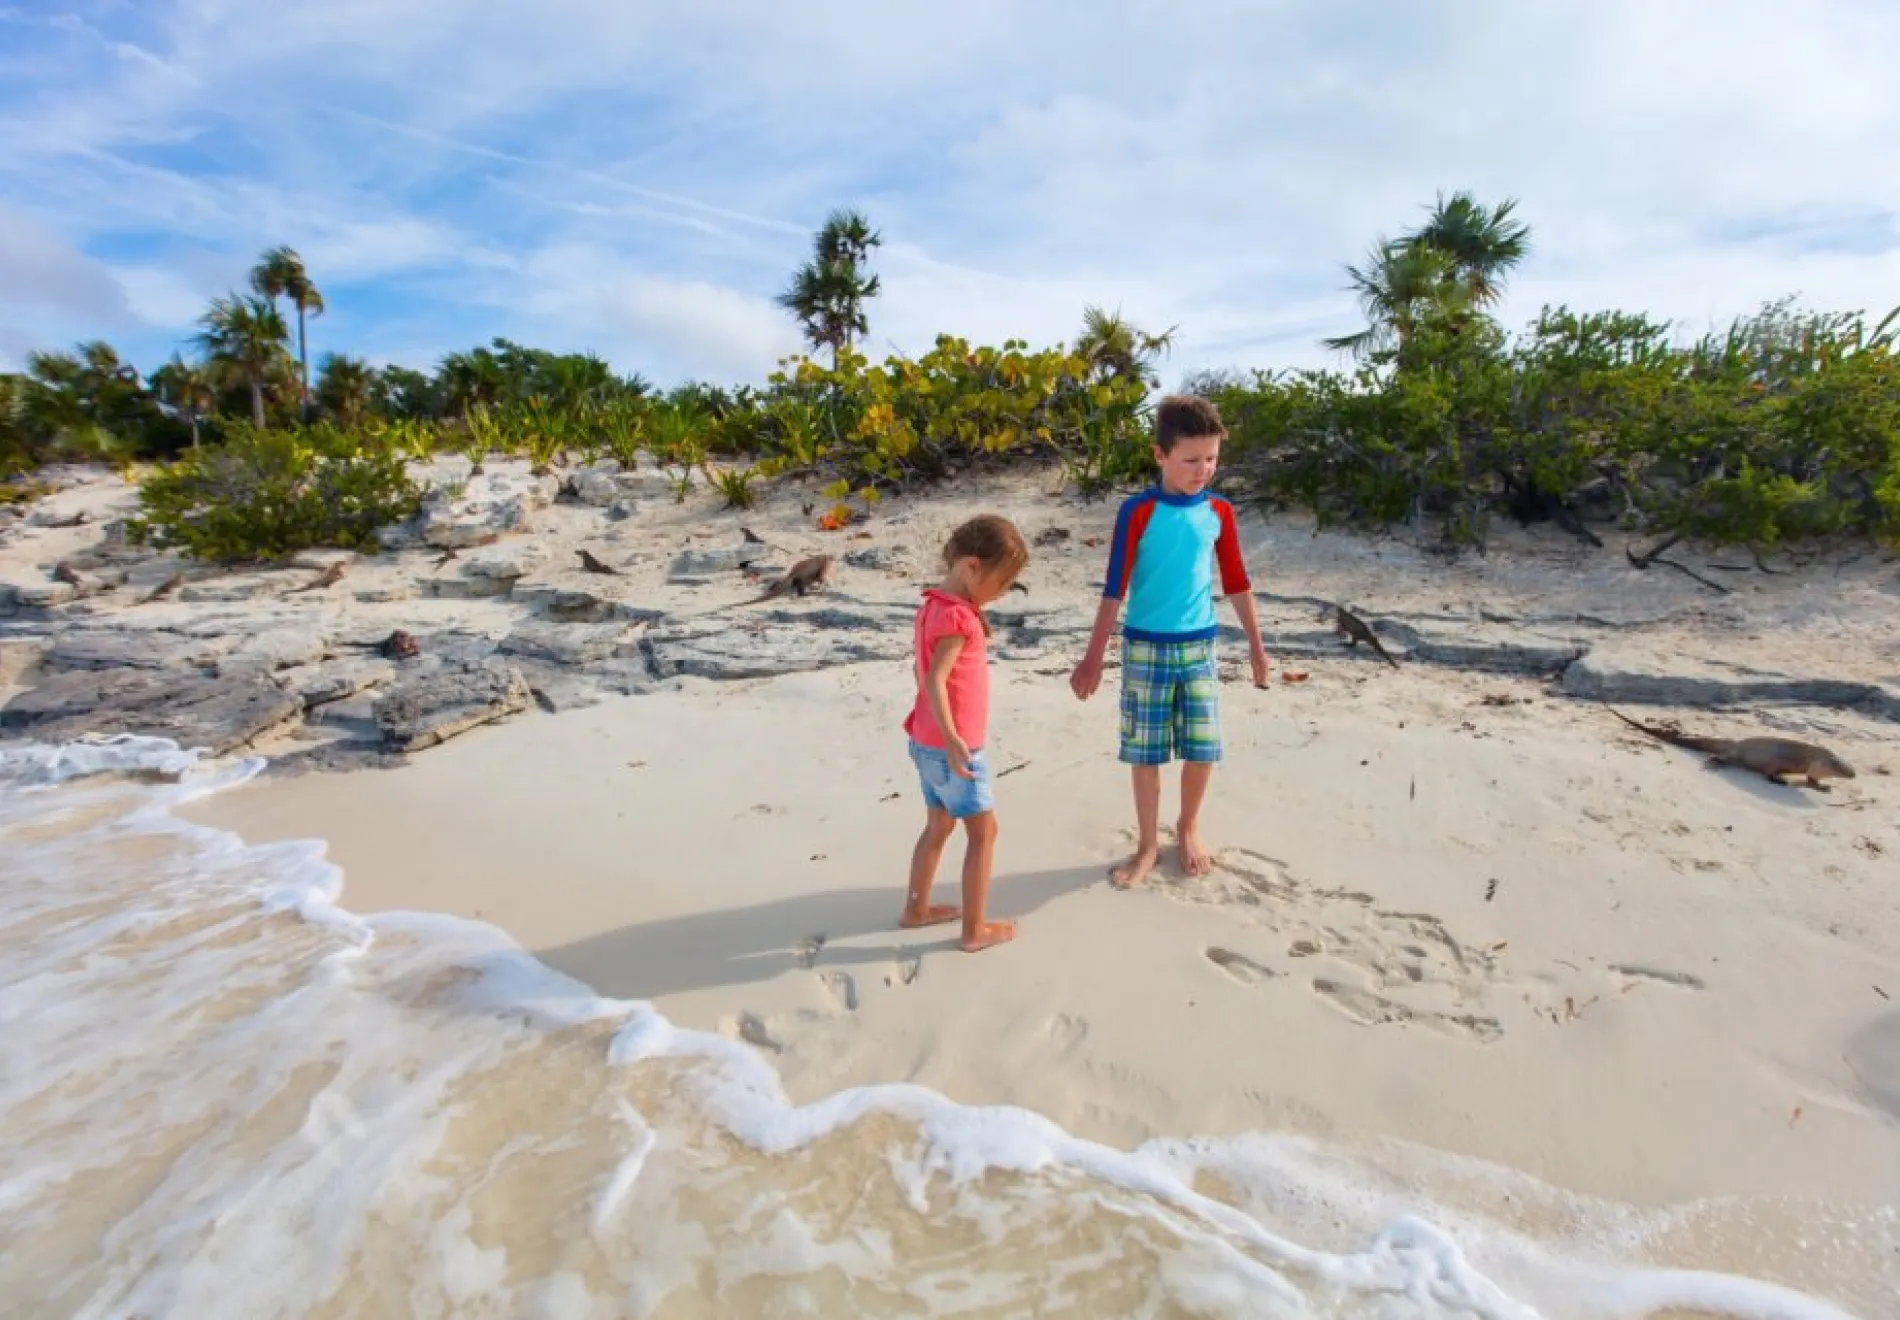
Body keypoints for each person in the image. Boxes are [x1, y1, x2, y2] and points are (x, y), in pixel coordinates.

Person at [1069, 395, 1269, 887]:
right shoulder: (1138, 511)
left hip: (1200, 646)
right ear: (1160, 455)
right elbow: (1114, 587)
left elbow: (1238, 581)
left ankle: (1188, 826)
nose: (1203, 470)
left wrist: (1258, 649)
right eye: (1191, 460)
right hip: (1144, 647)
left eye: (1211, 459)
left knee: (1203, 748)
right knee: (1145, 753)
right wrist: (1093, 659)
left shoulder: (1219, 510)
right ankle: (1147, 844)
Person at [901, 514, 1031, 952]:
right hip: (951, 749)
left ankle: (916, 910)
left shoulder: (932, 605)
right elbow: (936, 679)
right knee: (983, 832)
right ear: (971, 567)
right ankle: (975, 932)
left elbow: (921, 672)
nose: (1001, 593)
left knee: (938, 825)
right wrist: (955, 739)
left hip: (924, 742)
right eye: (1001, 581)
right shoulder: (958, 617)